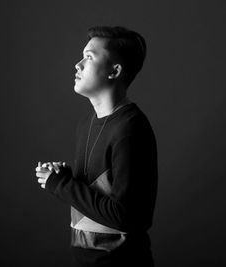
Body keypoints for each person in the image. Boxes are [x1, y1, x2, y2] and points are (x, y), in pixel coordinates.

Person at [35, 26, 158, 267]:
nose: (78, 65)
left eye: (89, 57)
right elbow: (98, 195)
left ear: (115, 71)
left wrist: (61, 185)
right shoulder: (86, 124)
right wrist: (67, 178)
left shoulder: (130, 128)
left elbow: (128, 217)